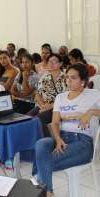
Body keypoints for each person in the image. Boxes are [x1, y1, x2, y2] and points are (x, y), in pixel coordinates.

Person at [34, 63, 99, 197]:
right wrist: (58, 140)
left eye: (73, 78)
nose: (68, 80)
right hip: (62, 136)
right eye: (68, 77)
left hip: (82, 141)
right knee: (40, 144)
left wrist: (92, 111)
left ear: (83, 81)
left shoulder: (93, 94)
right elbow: (55, 123)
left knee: (44, 159)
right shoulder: (61, 97)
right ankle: (48, 192)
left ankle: (46, 192)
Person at [27, 53, 67, 137]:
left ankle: (49, 142)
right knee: (26, 118)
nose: (51, 64)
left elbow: (66, 97)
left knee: (38, 120)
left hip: (56, 108)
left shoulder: (65, 78)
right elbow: (38, 94)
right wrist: (44, 106)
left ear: (61, 63)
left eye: (54, 61)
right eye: (49, 61)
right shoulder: (45, 77)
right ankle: (32, 142)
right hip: (43, 105)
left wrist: (50, 106)